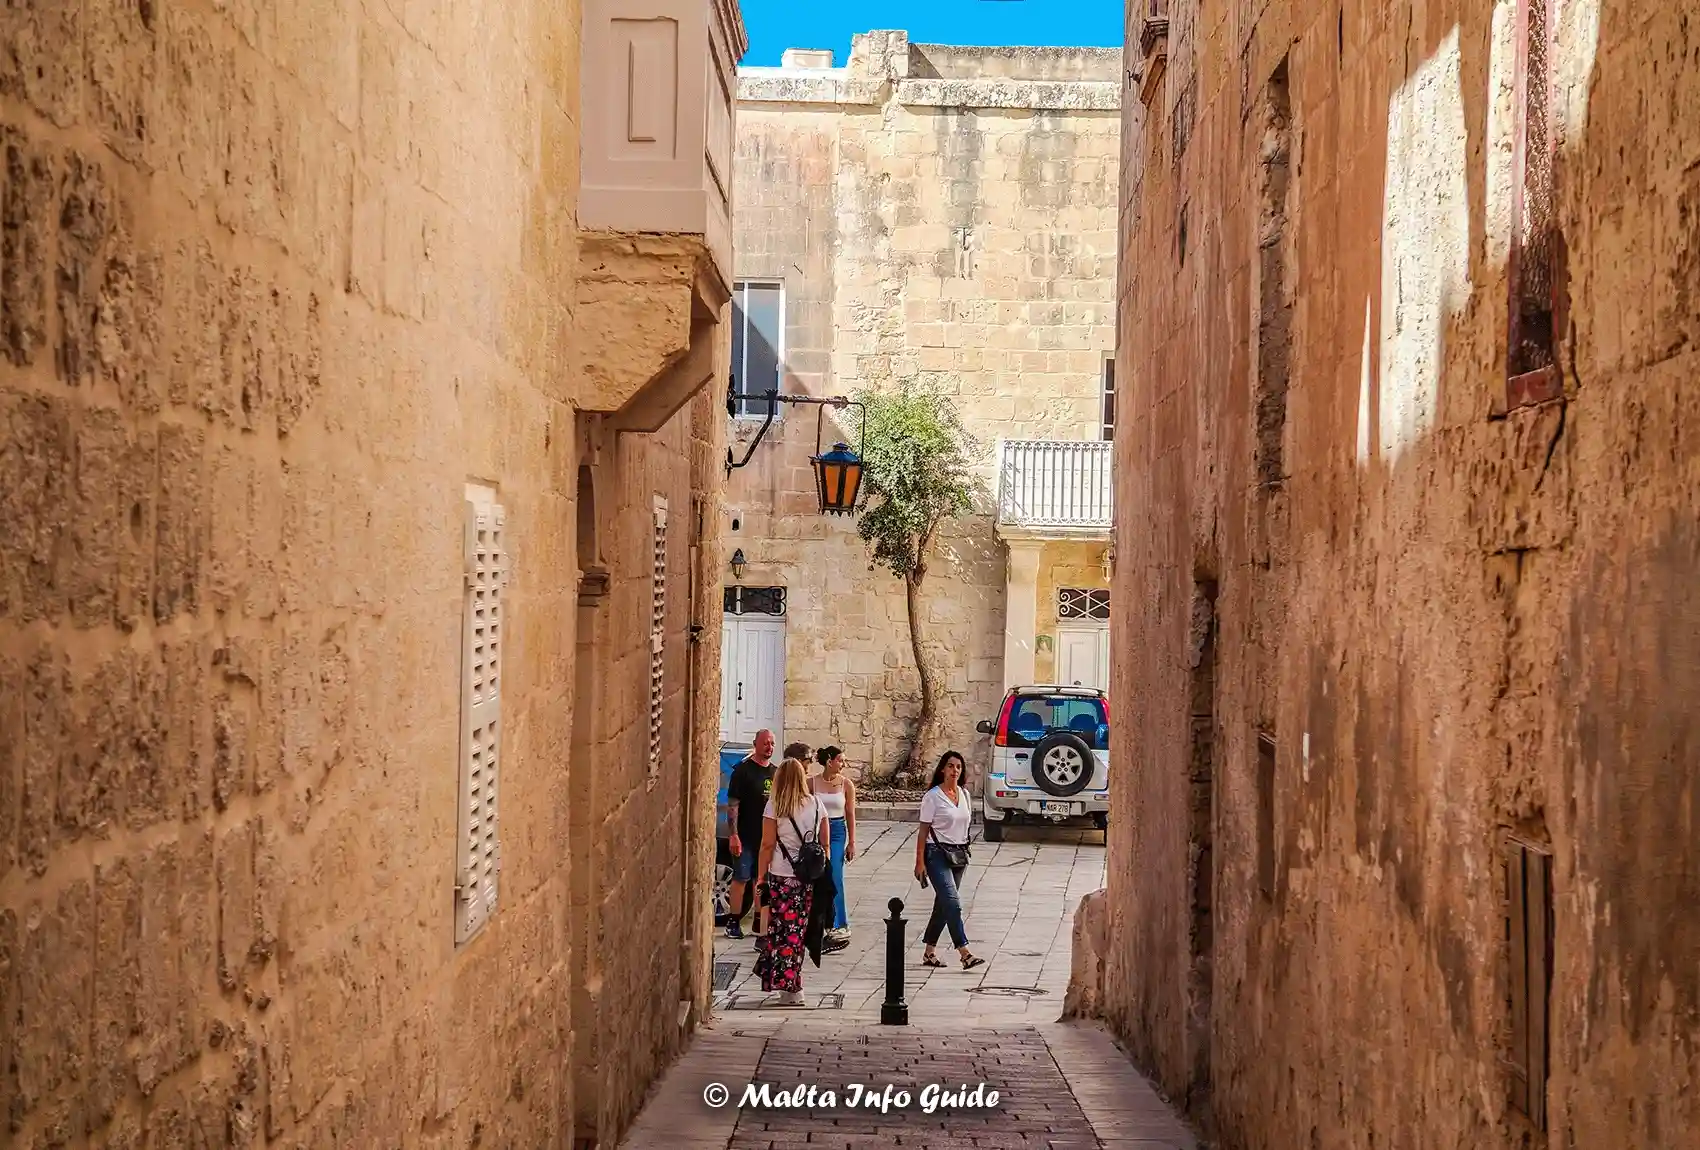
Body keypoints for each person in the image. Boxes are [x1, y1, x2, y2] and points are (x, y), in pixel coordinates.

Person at [755, 757, 830, 1006]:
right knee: (797, 930)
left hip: (782, 875)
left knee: (783, 931)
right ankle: (790, 985)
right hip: (808, 879)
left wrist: (761, 876)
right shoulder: (817, 804)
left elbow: (766, 844)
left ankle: (792, 987)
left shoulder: (775, 805)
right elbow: (825, 844)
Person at [914, 750, 984, 970]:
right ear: (943, 769)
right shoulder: (933, 796)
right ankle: (964, 952)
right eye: (951, 766)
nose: (955, 770)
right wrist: (919, 861)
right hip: (936, 854)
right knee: (952, 903)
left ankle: (929, 952)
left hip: (959, 854)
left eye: (959, 767)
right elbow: (923, 830)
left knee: (943, 905)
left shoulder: (964, 795)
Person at [725, 729, 776, 940]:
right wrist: (733, 835)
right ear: (756, 744)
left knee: (761, 880)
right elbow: (733, 805)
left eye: (772, 743)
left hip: (765, 838)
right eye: (765, 743)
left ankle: (759, 921)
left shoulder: (775, 772)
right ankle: (733, 921)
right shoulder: (743, 772)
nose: (769, 747)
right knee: (741, 878)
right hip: (745, 836)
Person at [811, 746, 857, 948]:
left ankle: (840, 923)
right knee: (816, 876)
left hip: (837, 830)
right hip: (816, 829)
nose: (843, 764)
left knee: (835, 875)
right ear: (829, 761)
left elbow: (850, 814)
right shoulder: (811, 783)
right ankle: (819, 921)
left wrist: (852, 842)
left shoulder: (846, 784)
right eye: (840, 760)